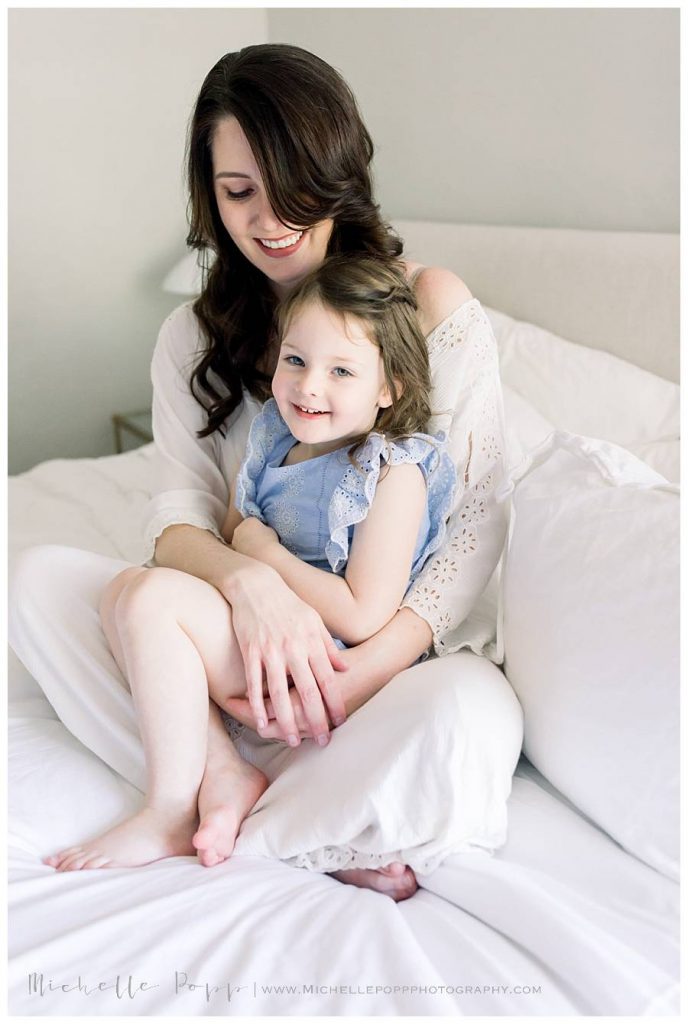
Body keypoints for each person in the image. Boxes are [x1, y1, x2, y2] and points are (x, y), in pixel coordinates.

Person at [9, 43, 523, 902]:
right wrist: (254, 586)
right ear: (208, 196)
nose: (268, 218)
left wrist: (368, 666)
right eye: (237, 191)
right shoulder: (191, 338)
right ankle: (224, 773)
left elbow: (478, 522)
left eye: (289, 186)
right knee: (40, 583)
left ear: (338, 172)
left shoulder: (422, 304)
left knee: (465, 715)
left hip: (383, 666)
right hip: (240, 663)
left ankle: (256, 801)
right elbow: (176, 516)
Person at [42, 255, 457, 875]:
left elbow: (365, 613)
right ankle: (226, 775)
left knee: (149, 599)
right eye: (296, 360)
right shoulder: (272, 439)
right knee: (125, 590)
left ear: (390, 388)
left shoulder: (392, 472)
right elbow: (237, 529)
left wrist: (262, 554)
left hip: (331, 658)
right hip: (269, 632)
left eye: (342, 370)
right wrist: (249, 553)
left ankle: (171, 810)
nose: (308, 386)